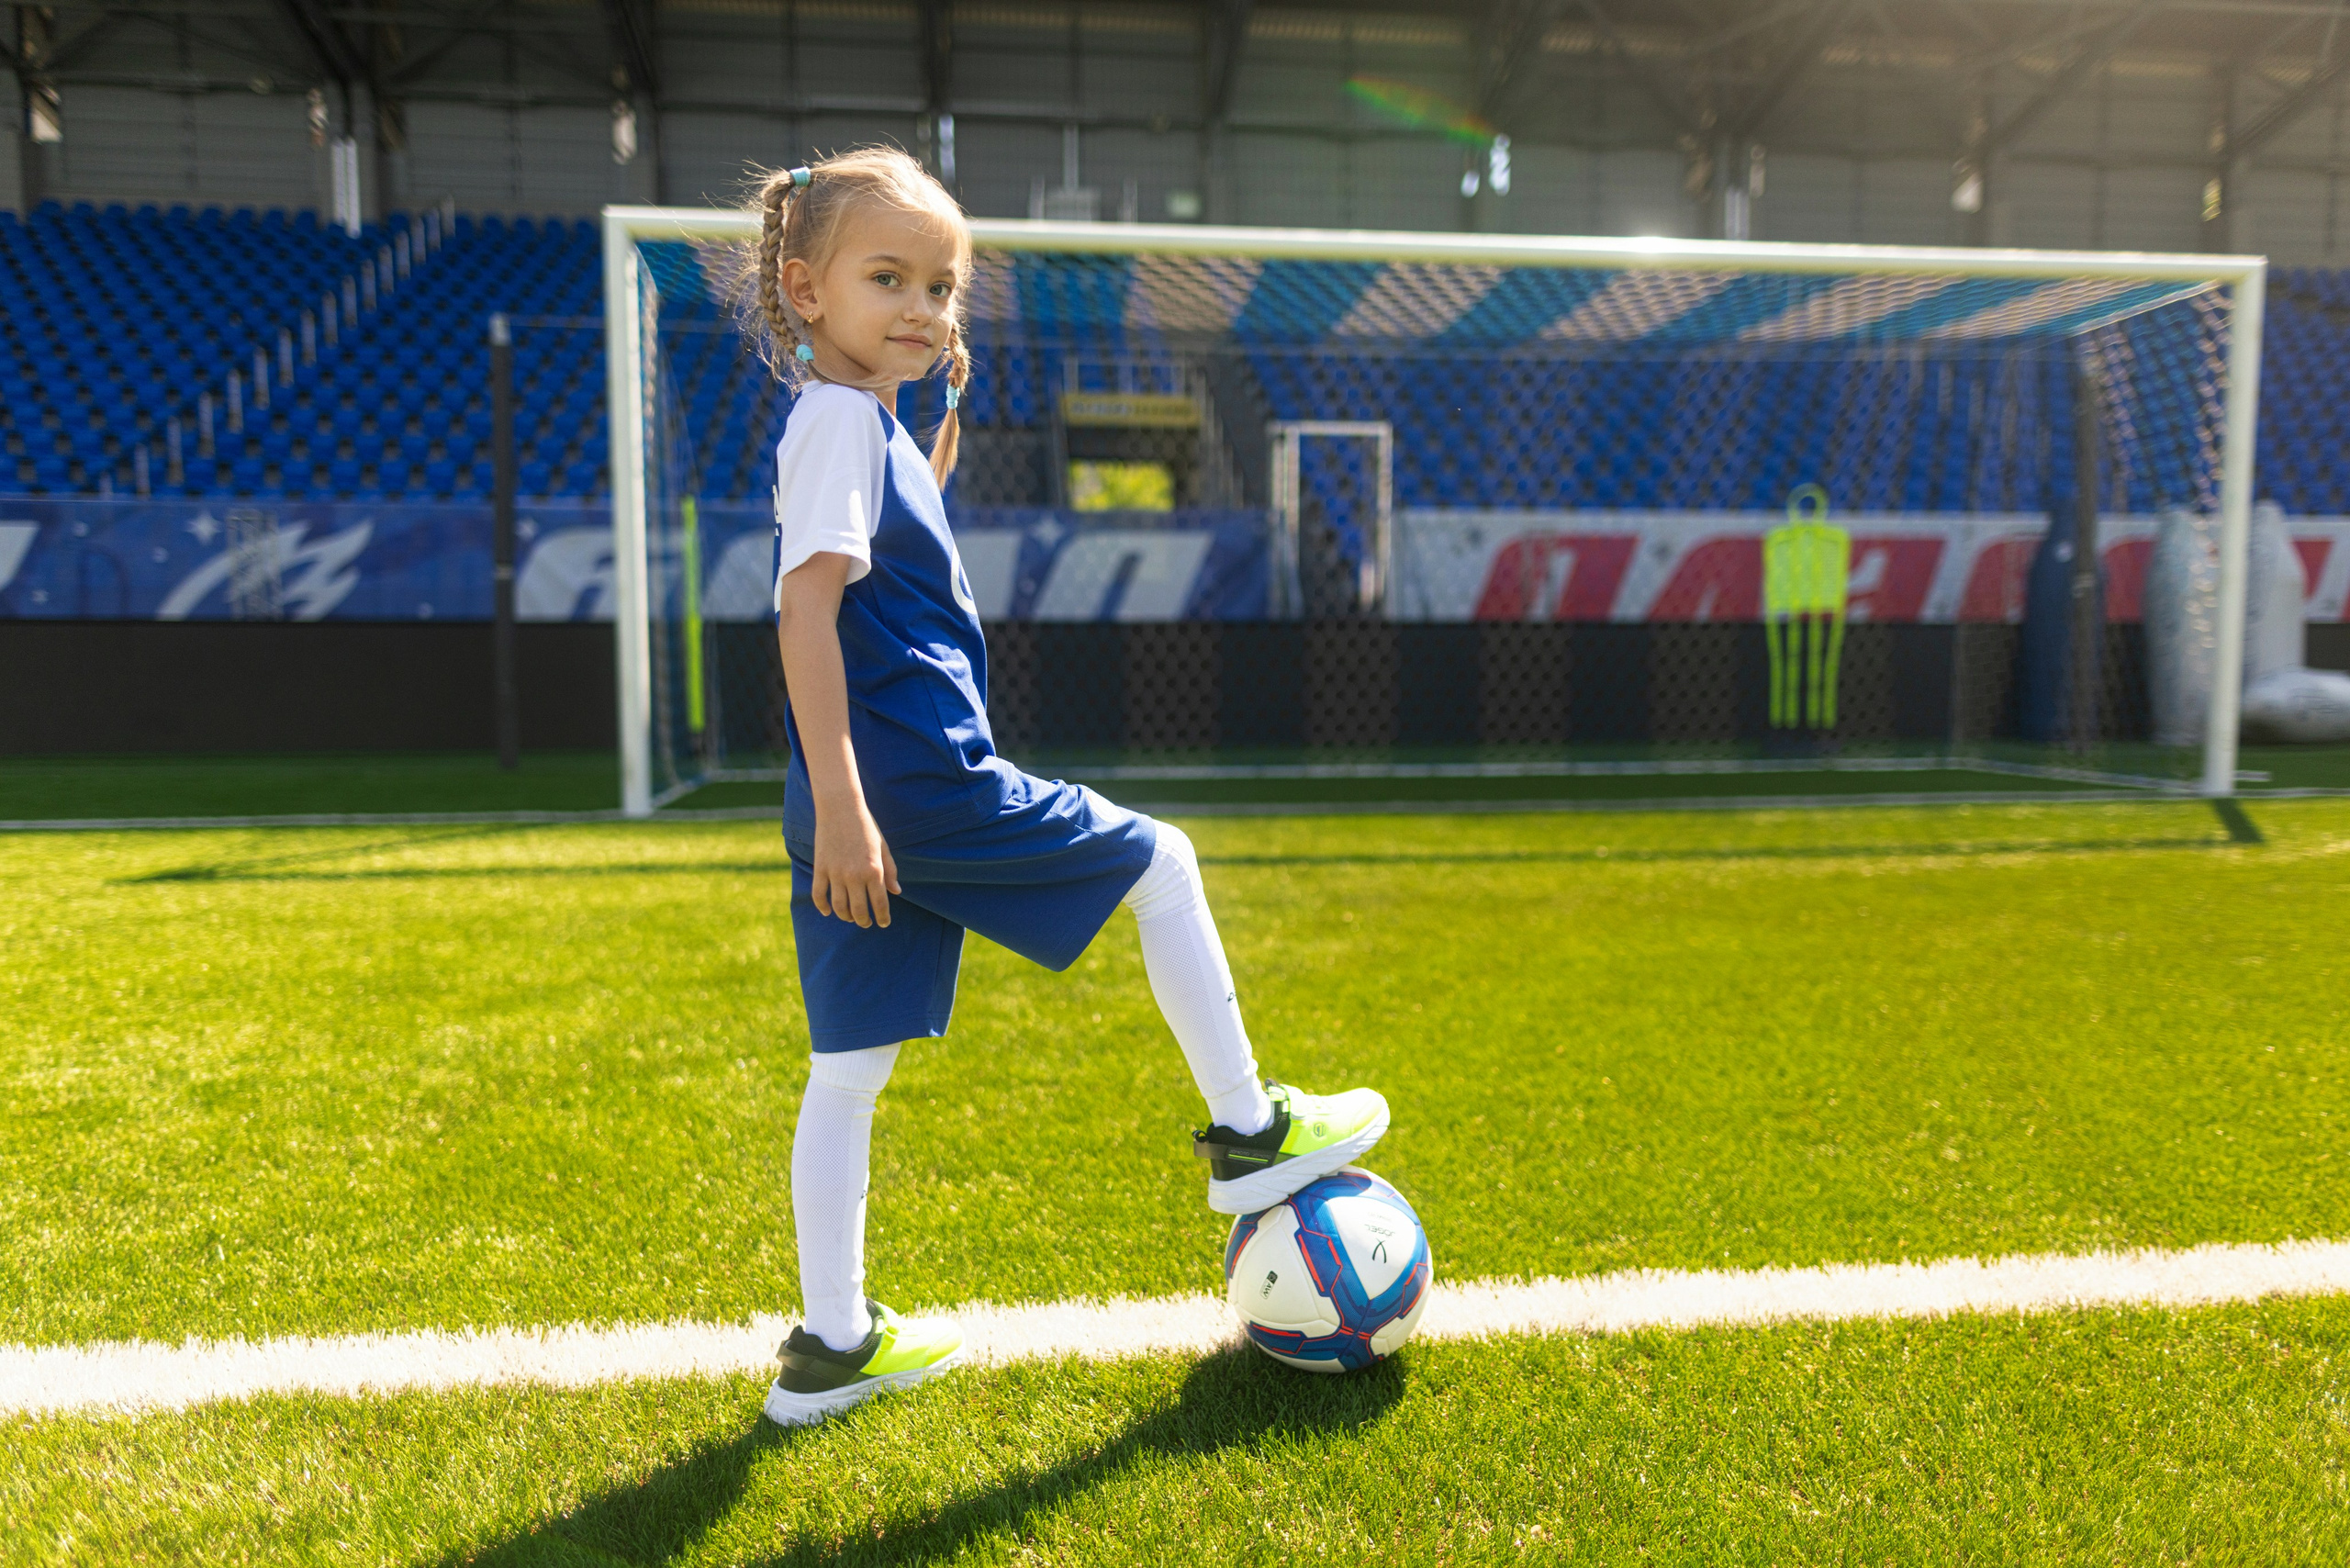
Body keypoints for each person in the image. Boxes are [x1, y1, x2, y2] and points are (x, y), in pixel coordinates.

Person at [739, 147, 1388, 1428]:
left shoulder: (858, 425)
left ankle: (829, 1343)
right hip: (912, 787)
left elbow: (873, 571)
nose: (922, 306)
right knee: (1167, 863)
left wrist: (924, 443)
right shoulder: (832, 425)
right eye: (888, 279)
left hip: (862, 797)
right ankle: (1249, 1131)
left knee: (850, 1069)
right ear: (804, 290)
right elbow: (802, 618)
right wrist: (859, 807)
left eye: (943, 285)